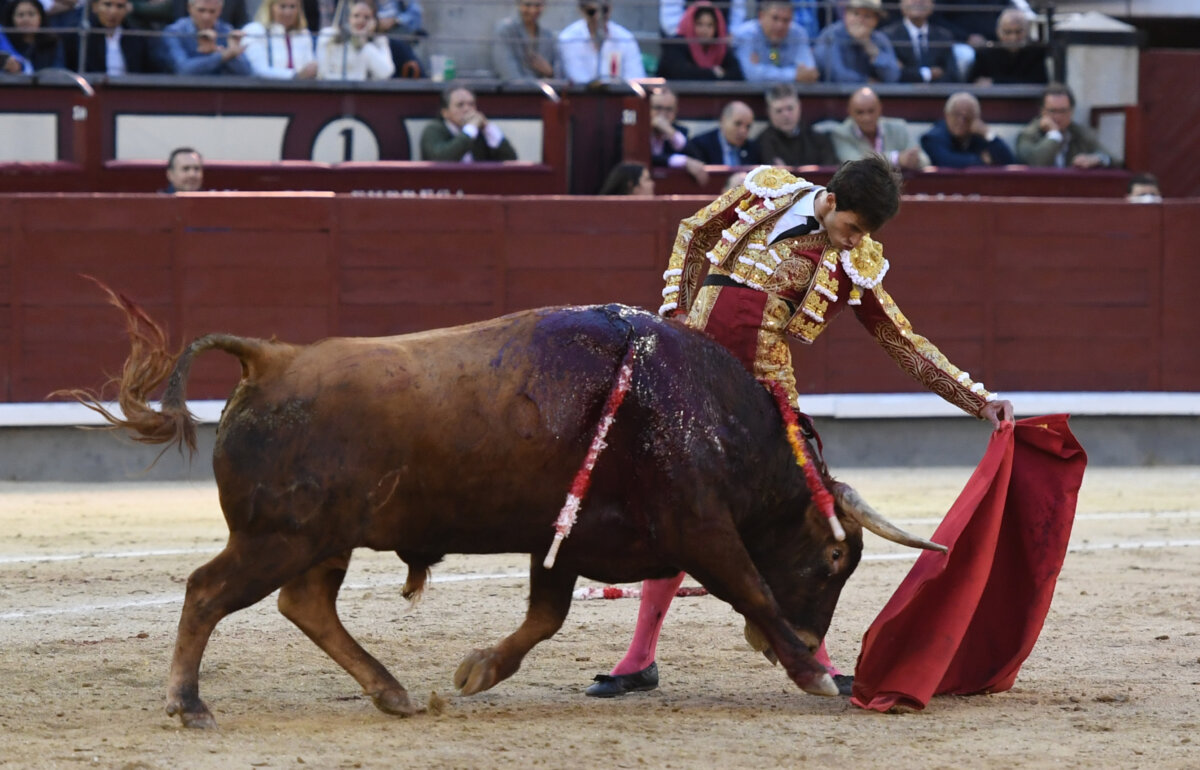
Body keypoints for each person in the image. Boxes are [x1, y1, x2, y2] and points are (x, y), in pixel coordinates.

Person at [585, 155, 1013, 698]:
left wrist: (976, 399)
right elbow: (693, 233)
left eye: (865, 234)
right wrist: (675, 315)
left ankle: (819, 658)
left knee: (802, 520)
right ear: (831, 200)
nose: (853, 241)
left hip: (764, 398)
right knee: (681, 507)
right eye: (852, 227)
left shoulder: (853, 262)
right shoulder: (765, 193)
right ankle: (639, 659)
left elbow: (900, 339)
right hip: (695, 379)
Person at [1016, 84, 1114, 169]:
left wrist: (1097, 159)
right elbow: (1036, 162)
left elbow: (1115, 160)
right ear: (1042, 112)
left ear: (1071, 112)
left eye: (1063, 111)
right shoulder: (1029, 134)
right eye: (1053, 111)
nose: (1058, 117)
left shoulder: (1079, 133)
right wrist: (1054, 135)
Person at [829, 86, 929, 170]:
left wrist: (915, 160)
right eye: (860, 112)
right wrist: (897, 159)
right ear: (849, 112)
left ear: (880, 109)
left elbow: (925, 160)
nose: (866, 118)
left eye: (871, 111)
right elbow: (856, 162)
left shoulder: (899, 127)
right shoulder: (841, 132)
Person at [419, 85, 518, 163]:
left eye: (471, 104)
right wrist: (470, 130)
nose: (467, 109)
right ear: (445, 112)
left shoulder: (480, 132)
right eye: (460, 105)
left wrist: (488, 128)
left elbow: (510, 159)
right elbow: (443, 160)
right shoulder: (433, 129)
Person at [557, 1, 646, 84]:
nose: (598, 16)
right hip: (581, 98)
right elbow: (578, 80)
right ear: (582, 11)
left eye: (604, 10)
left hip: (618, 97)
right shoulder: (568, 38)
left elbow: (636, 79)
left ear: (610, 8)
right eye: (591, 12)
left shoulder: (625, 38)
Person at [812, 0, 900, 84]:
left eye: (867, 16)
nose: (860, 20)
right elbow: (835, 74)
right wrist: (866, 82)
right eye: (856, 14)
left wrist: (868, 45)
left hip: (874, 95)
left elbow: (893, 76)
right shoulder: (831, 34)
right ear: (845, 15)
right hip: (836, 95)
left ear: (876, 21)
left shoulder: (880, 38)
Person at [61, 0, 160, 74]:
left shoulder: (138, 37)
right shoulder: (78, 36)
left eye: (120, 6)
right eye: (107, 4)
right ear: (95, 7)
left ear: (126, 9)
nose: (113, 12)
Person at [921, 91, 1015, 168]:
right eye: (956, 114)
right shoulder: (933, 137)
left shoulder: (979, 135)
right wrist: (981, 160)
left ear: (977, 118)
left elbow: (1009, 162)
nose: (961, 120)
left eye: (968, 116)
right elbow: (945, 161)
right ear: (946, 115)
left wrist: (988, 134)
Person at [732, 0, 817, 84]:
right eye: (775, 18)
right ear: (761, 16)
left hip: (790, 93)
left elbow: (809, 72)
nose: (780, 26)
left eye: (786, 20)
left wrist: (764, 71)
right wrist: (794, 74)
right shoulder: (746, 35)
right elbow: (753, 75)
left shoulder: (798, 34)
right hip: (752, 95)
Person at [656, 1, 742, 82]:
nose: (704, 30)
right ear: (690, 24)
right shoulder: (677, 44)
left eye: (709, 25)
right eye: (699, 24)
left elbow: (737, 74)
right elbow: (682, 74)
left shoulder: (720, 48)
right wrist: (713, 73)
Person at [756, 83, 837, 167]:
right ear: (769, 112)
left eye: (790, 108)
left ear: (799, 107)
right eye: (779, 111)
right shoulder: (761, 143)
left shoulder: (819, 139)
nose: (786, 115)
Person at [162, 0, 252, 75]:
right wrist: (223, 55)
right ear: (190, 8)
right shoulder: (174, 32)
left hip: (221, 90)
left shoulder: (227, 31)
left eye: (212, 11)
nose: (206, 17)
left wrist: (223, 52)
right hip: (186, 91)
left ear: (220, 10)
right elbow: (183, 70)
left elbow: (246, 73)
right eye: (201, 10)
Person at [880, 0, 959, 84]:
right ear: (901, 4)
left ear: (932, 5)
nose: (918, 2)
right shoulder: (887, 35)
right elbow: (894, 73)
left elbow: (952, 75)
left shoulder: (943, 36)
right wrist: (928, 74)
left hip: (937, 93)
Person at [316, 0, 394, 81]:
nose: (361, 20)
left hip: (362, 91)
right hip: (333, 89)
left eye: (366, 17)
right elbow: (322, 72)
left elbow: (386, 73)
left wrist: (364, 43)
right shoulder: (331, 36)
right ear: (349, 18)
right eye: (356, 16)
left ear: (373, 21)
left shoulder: (379, 41)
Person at [968, 8, 1048, 86]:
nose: (1013, 38)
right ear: (998, 32)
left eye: (1018, 31)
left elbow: (1038, 83)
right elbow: (974, 83)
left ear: (1027, 30)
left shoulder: (1037, 52)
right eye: (1008, 32)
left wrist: (995, 82)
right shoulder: (985, 54)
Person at [648, 86, 709, 186]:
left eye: (669, 109)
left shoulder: (680, 131)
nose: (663, 114)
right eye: (658, 108)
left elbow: (698, 159)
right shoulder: (633, 130)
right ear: (647, 108)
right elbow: (645, 159)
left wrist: (671, 133)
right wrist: (683, 161)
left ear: (676, 111)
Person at [241, 0, 318, 79]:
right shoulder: (255, 30)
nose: (288, 12)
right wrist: (295, 76)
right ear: (270, 8)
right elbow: (258, 70)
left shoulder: (304, 34)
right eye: (282, 6)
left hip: (301, 90)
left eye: (292, 7)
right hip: (267, 89)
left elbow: (310, 69)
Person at [491, 0, 558, 81]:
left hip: (544, 91)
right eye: (527, 5)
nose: (533, 10)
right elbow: (508, 72)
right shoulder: (506, 30)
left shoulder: (548, 36)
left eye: (537, 5)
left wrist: (550, 72)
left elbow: (558, 73)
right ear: (518, 5)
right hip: (516, 92)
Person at [683, 100, 760, 167]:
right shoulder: (700, 145)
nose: (743, 130)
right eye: (738, 124)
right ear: (723, 121)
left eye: (748, 126)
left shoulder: (752, 149)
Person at [2, 0, 63, 71]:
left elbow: (58, 71)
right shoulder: (5, 41)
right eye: (20, 15)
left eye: (31, 14)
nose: (26, 19)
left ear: (41, 17)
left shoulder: (53, 42)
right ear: (12, 18)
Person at [658, 0, 745, 37]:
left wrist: (731, 34)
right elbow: (671, 24)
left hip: (721, 42)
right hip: (684, 41)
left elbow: (737, 13)